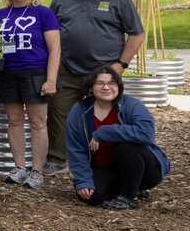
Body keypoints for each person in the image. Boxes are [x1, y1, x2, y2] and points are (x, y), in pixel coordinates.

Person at [45, 0, 145, 176]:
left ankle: (106, 158)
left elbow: (137, 34)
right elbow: (50, 32)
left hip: (104, 72)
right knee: (58, 112)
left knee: (104, 114)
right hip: (67, 68)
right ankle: (57, 158)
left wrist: (121, 65)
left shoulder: (118, 0)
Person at [0, 0, 60, 190]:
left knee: (38, 122)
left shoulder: (43, 13)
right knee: (14, 121)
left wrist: (51, 80)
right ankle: (19, 168)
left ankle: (37, 171)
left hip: (35, 72)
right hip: (8, 73)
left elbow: (55, 49)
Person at [66, 68, 169, 210]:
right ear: (91, 87)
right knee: (92, 196)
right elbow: (76, 149)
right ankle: (127, 188)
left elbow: (146, 133)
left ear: (119, 87)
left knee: (125, 147)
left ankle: (128, 196)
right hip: (107, 167)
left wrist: (103, 132)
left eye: (112, 83)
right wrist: (83, 180)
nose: (106, 87)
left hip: (146, 169)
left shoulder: (132, 105)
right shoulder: (80, 110)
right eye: (100, 83)